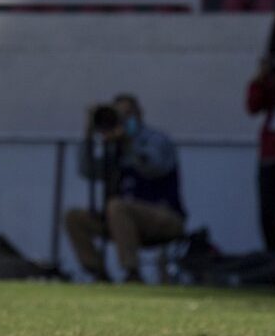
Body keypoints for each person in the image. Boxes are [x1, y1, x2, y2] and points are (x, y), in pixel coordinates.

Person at [65, 94, 186, 283]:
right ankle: (98, 273)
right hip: (121, 220)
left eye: (128, 113)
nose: (124, 119)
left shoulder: (156, 140)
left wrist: (129, 142)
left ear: (140, 114)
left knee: (116, 206)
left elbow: (153, 167)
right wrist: (89, 132)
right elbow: (87, 170)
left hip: (163, 215)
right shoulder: (113, 147)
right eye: (119, 114)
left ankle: (132, 273)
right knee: (73, 217)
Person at [246, 12, 275, 255]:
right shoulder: (270, 69)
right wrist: (260, 79)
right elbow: (253, 106)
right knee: (268, 214)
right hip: (271, 153)